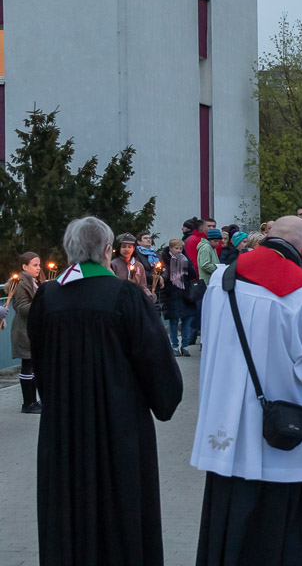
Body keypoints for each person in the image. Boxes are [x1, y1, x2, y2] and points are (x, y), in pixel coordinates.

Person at [191, 216, 302, 565]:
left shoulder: (222, 278)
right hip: (276, 437)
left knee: (227, 526)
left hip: (224, 429)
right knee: (277, 538)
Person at [30, 216, 183, 565]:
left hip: (64, 429)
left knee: (67, 512)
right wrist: (165, 400)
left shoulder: (49, 297)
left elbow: (39, 363)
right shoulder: (126, 295)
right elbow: (157, 365)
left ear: (70, 251)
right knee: (122, 511)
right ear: (105, 250)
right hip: (120, 428)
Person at [11, 252, 42, 413]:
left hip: (32, 330)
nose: (39, 268)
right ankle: (28, 403)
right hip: (24, 330)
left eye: (39, 264)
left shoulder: (34, 281)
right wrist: (42, 302)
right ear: (25, 267)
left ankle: (34, 401)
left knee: (34, 365)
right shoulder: (21, 283)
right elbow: (22, 308)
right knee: (28, 365)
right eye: (35, 265)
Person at [160, 238, 198, 357]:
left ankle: (185, 346)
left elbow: (193, 275)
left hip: (185, 294)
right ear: (171, 248)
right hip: (172, 294)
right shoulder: (166, 261)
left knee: (186, 320)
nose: (178, 251)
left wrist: (188, 265)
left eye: (180, 248)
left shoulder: (186, 259)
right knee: (174, 321)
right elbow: (164, 276)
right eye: (176, 248)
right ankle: (174, 345)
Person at [111, 232, 154, 300]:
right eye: (123, 247)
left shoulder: (139, 266)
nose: (127, 249)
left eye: (129, 247)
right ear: (119, 248)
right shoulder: (114, 264)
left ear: (134, 248)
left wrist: (148, 296)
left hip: (135, 300)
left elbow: (143, 286)